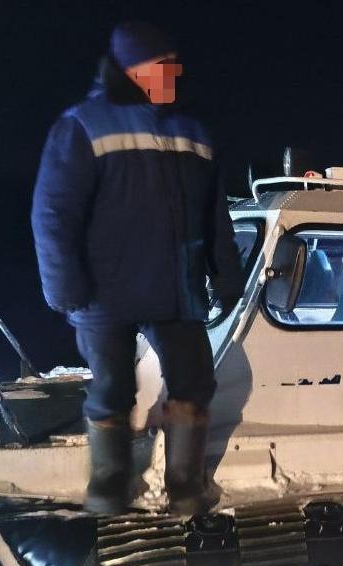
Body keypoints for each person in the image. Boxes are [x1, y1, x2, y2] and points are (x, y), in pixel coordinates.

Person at [31, 21, 243, 515]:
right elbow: (53, 212)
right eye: (160, 66)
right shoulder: (82, 124)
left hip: (178, 288)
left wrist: (226, 273)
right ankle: (109, 487)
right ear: (129, 69)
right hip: (104, 291)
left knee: (194, 382)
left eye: (174, 66)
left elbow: (215, 216)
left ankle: (186, 487)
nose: (171, 74)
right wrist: (63, 284)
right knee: (112, 388)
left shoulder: (194, 131)